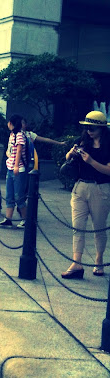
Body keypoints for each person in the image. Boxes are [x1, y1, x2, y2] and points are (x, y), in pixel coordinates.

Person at [61, 110, 110, 279]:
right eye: (87, 127)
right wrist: (71, 153)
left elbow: (108, 170)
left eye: (93, 128)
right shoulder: (82, 141)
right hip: (80, 186)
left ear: (102, 129)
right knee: (78, 227)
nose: (89, 131)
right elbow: (67, 158)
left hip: (100, 189)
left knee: (99, 228)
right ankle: (77, 263)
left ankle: (99, 259)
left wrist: (91, 161)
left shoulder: (108, 146)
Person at [0, 114, 27, 229]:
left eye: (9, 122)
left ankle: (25, 220)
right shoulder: (12, 135)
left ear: (12, 123)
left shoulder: (19, 135)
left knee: (19, 196)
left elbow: (19, 151)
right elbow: (11, 151)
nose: (7, 124)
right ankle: (8, 219)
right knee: (9, 195)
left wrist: (16, 166)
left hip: (18, 170)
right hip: (10, 168)